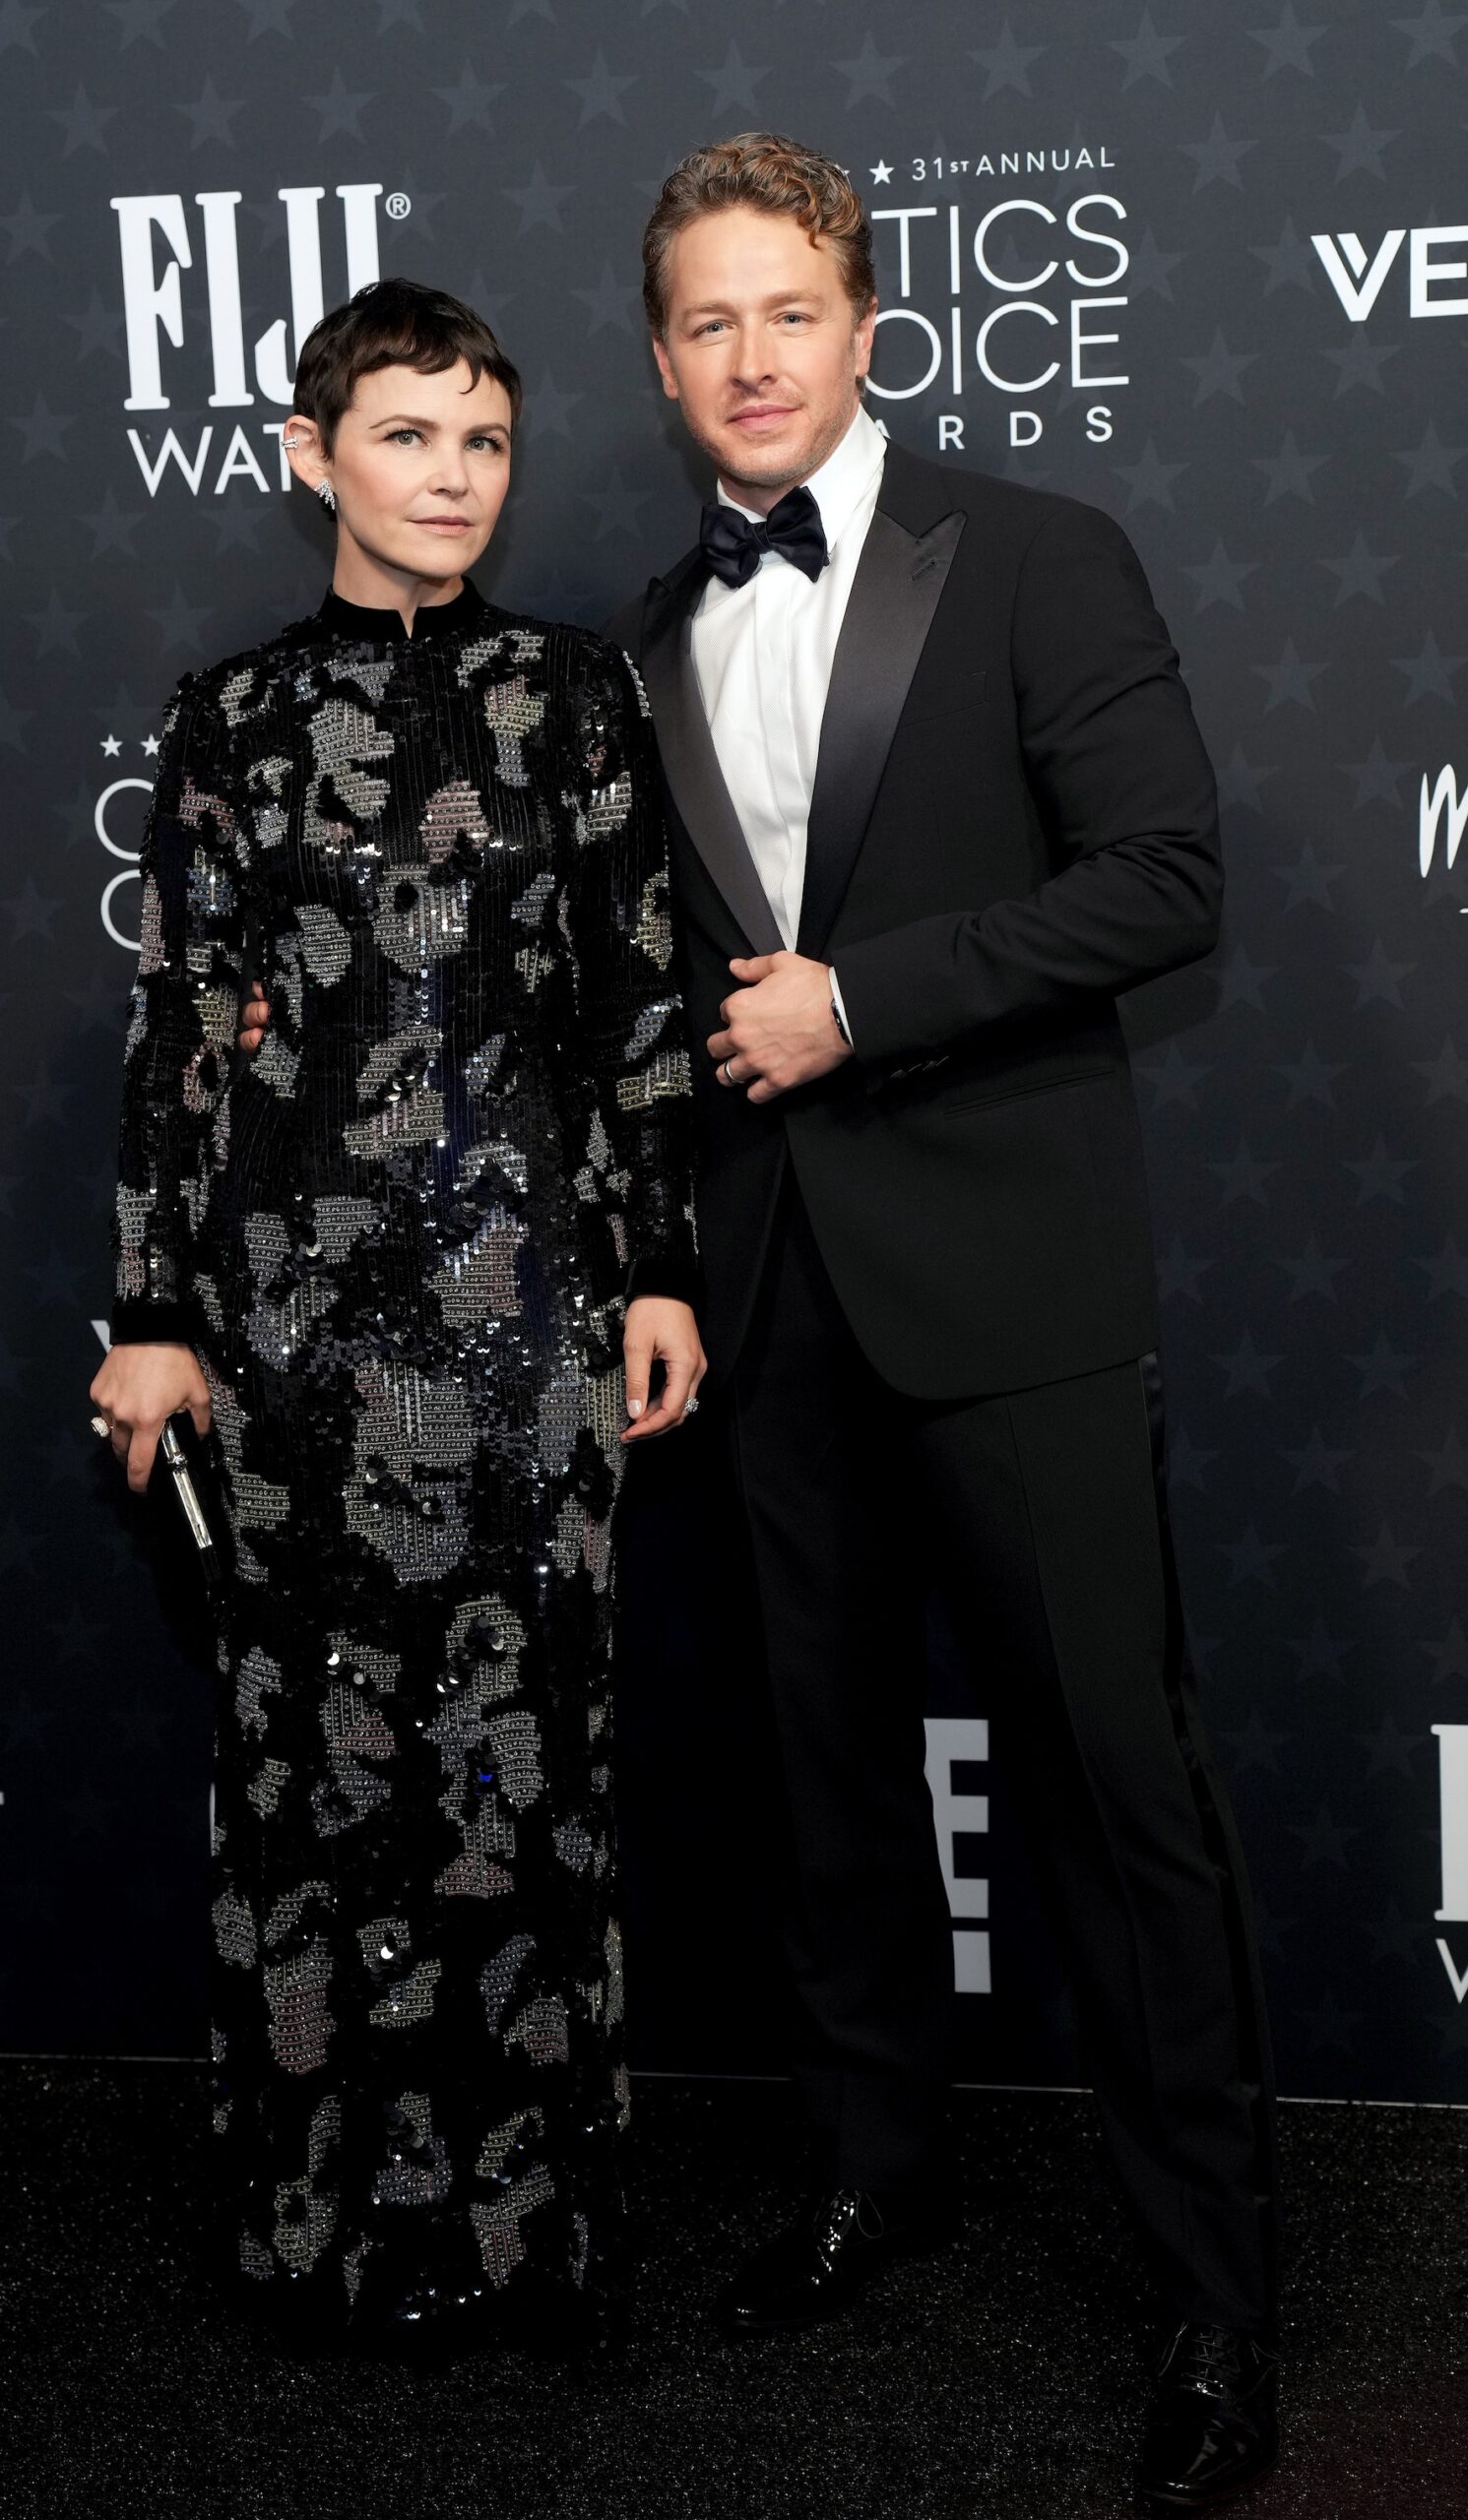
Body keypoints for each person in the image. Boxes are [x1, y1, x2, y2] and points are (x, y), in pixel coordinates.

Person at [607, 133, 1280, 2514]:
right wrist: (662, 1258)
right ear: (663, 356)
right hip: (770, 1301)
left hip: (1007, 1281)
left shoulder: (1030, 557)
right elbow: (644, 1004)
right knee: (824, 1791)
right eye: (704, 319)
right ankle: (872, 2170)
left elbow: (1161, 876)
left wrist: (858, 1006)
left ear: (866, 322)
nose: (750, 356)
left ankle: (1214, 2289)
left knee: (1118, 1796)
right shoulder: (646, 632)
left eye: (786, 308)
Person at [90, 278, 703, 2347]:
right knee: (314, 1775)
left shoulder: (580, 695)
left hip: (530, 1323)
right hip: (299, 1327)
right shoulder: (231, 718)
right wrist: (154, 1304)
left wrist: (659, 1264)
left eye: (484, 442)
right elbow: (181, 1032)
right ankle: (319, 2220)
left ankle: (528, 2230)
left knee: (526, 1780)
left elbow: (634, 1002)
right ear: (310, 454)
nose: (452, 478)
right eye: (410, 436)